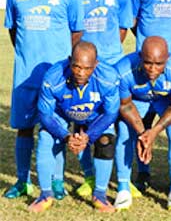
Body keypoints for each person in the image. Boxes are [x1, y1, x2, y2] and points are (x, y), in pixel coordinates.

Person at [4, 0, 84, 199]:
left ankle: (57, 181)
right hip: (26, 74)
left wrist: (63, 63)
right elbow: (13, 31)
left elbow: (76, 32)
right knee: (24, 128)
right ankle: (22, 180)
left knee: (56, 128)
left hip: (57, 77)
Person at [68, 0, 134, 198]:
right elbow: (72, 33)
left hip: (111, 67)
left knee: (117, 122)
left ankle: (125, 181)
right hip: (82, 69)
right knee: (81, 119)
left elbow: (122, 29)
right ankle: (89, 175)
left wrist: (105, 57)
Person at [28, 42, 119, 213]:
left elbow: (110, 114)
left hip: (95, 115)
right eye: (76, 67)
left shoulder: (108, 77)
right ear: (70, 61)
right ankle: (45, 194)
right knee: (45, 137)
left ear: (96, 64)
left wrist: (89, 136)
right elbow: (46, 115)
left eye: (87, 68)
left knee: (106, 140)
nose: (81, 73)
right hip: (61, 113)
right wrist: (66, 136)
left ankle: (99, 195)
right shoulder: (53, 77)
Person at [113, 36, 171, 210]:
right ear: (140, 56)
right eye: (148, 63)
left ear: (167, 59)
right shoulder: (123, 70)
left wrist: (154, 131)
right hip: (136, 101)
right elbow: (125, 105)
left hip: (165, 102)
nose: (153, 69)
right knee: (125, 130)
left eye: (159, 64)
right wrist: (143, 133)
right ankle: (124, 188)